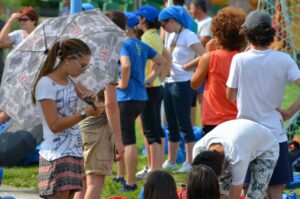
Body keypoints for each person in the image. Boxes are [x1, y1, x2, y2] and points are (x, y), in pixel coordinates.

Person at [226, 10, 300, 199]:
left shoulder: (239, 59)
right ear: (271, 34)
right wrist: (290, 112)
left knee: (250, 189)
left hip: (247, 133)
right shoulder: (284, 59)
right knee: (275, 190)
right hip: (275, 132)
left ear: (248, 34)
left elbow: (230, 95)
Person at [32, 38, 104, 199]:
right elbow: (54, 125)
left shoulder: (72, 81)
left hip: (73, 151)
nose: (84, 70)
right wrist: (85, 113)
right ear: (68, 59)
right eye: (82, 65)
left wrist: (93, 99)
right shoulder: (46, 84)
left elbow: (90, 100)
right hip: (55, 154)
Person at [72, 11, 126, 199]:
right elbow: (111, 105)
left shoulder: (84, 54)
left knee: (82, 181)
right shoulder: (108, 59)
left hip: (79, 120)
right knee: (95, 181)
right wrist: (119, 141)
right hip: (97, 127)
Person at [115, 12, 167, 192]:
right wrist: (150, 78)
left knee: (128, 140)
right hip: (141, 97)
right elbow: (162, 61)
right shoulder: (141, 44)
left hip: (126, 98)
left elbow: (126, 65)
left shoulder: (123, 45)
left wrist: (122, 83)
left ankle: (129, 183)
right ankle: (120, 176)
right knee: (130, 137)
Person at [158, 6, 204, 173]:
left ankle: (189, 161)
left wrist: (187, 66)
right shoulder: (172, 35)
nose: (163, 28)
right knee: (170, 122)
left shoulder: (189, 35)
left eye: (164, 24)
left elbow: (203, 55)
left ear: (173, 20)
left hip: (183, 83)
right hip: (169, 82)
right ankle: (171, 160)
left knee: (184, 122)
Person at [190, 6, 246, 135]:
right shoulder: (243, 58)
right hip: (238, 118)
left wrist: (208, 53)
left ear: (217, 33)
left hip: (214, 119)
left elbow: (194, 83)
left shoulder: (209, 57)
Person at [193, 119, 280, 199]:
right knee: (221, 191)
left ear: (221, 171)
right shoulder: (198, 149)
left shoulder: (237, 158)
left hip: (267, 146)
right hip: (243, 138)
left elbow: (234, 194)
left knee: (255, 195)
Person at [134, 5, 171, 180]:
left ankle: (155, 171)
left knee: (152, 131)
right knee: (155, 130)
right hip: (156, 88)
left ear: (143, 19)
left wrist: (149, 78)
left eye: (138, 18)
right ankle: (153, 168)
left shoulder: (148, 38)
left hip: (149, 88)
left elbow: (160, 60)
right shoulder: (155, 36)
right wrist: (159, 78)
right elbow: (167, 56)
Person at [0, 6, 39, 124]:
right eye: (20, 20)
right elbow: (1, 40)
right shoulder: (19, 34)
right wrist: (11, 20)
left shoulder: (41, 35)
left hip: (31, 80)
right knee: (5, 108)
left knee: (8, 112)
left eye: (25, 19)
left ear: (33, 21)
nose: (22, 22)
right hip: (14, 79)